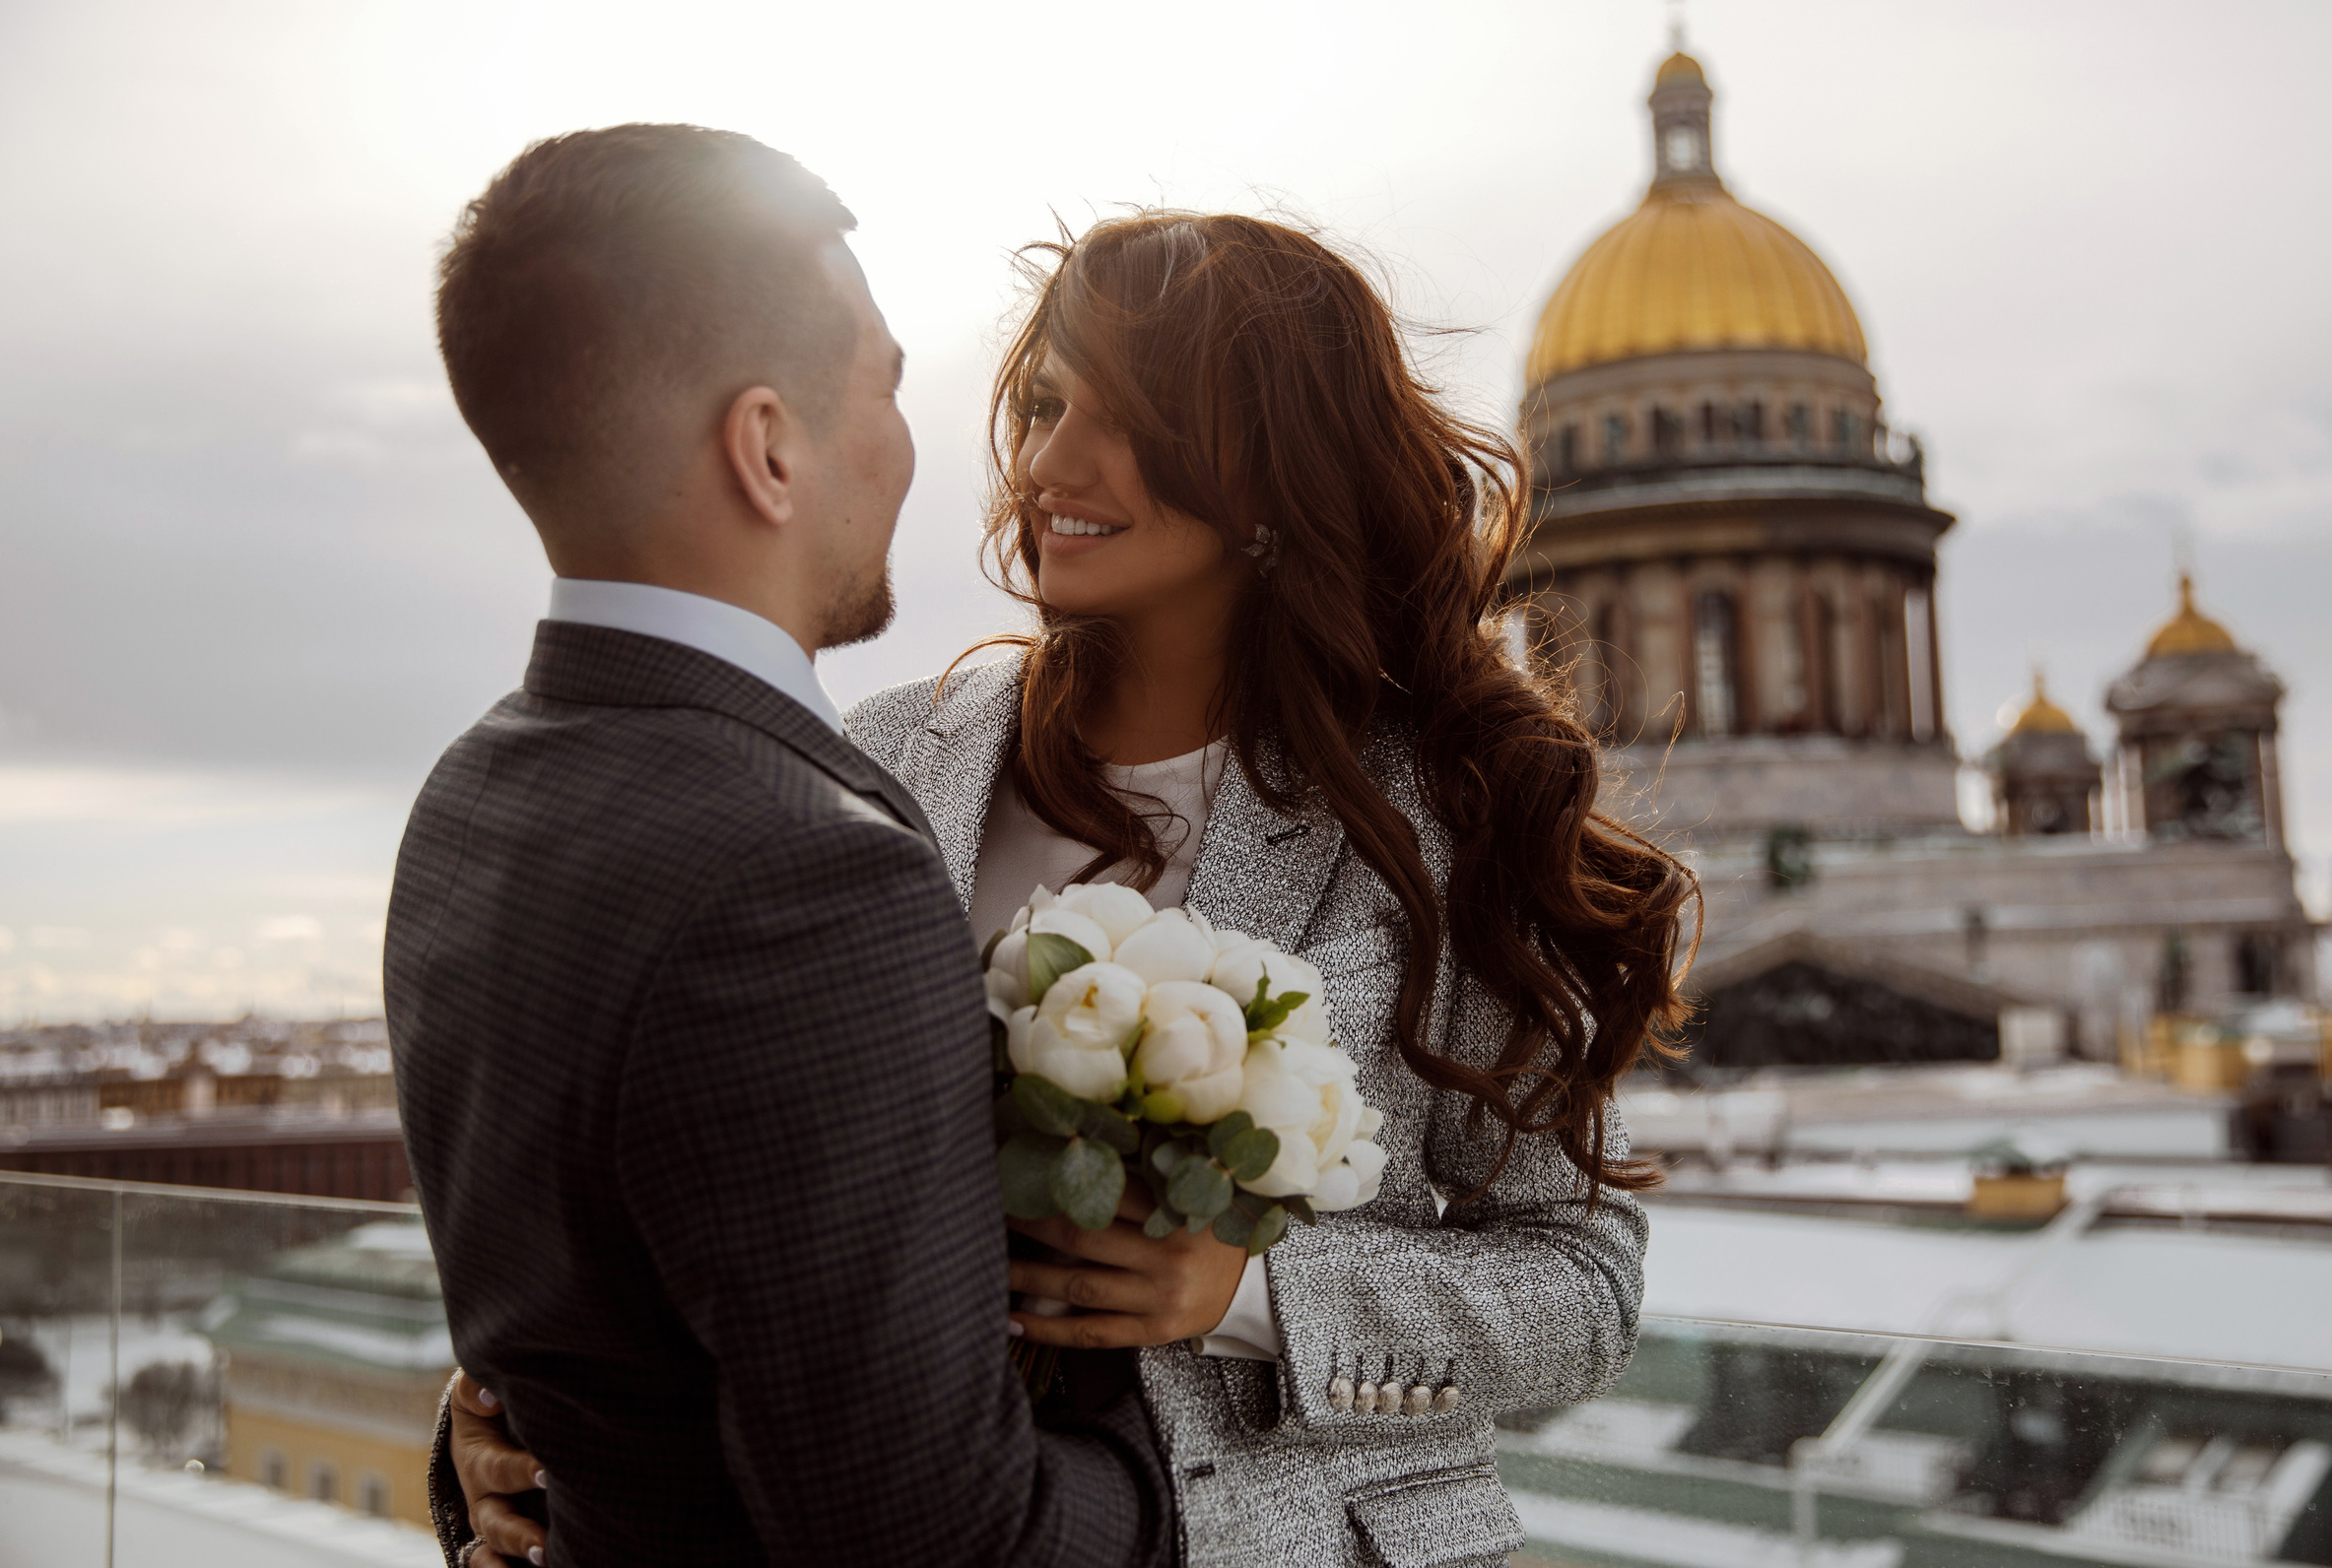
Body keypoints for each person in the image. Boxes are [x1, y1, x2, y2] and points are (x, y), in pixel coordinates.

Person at [449, 211, 1699, 1566]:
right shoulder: (885, 750)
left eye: (1133, 418)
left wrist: (1252, 1291)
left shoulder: (1446, 815)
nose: (1049, 463)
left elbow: (1585, 1288)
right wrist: (533, 1404)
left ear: (1277, 469)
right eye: (1045, 405)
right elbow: (732, 1187)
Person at [386, 125, 1176, 1568]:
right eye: (881, 384)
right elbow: (938, 1539)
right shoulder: (808, 875)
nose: (909, 439)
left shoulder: (470, 797)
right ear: (767, 447)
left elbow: (596, 1346)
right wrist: (1149, 1449)